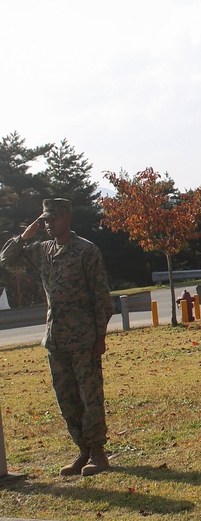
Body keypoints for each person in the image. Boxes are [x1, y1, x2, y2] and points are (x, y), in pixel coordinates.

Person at [1, 197, 113, 476]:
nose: (49, 225)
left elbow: (101, 296)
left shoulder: (86, 250)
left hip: (83, 339)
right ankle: (83, 451)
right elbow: (7, 259)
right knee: (66, 399)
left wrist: (100, 336)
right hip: (56, 339)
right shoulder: (42, 251)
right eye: (45, 220)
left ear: (67, 219)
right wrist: (25, 236)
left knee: (90, 397)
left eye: (53, 219)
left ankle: (98, 453)